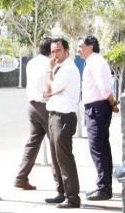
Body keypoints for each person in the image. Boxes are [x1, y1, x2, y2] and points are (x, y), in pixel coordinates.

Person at [77, 36, 119, 201]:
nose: (78, 49)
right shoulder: (93, 61)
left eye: (81, 46)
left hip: (97, 108)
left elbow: (104, 88)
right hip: (97, 107)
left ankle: (103, 188)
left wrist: (113, 103)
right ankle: (105, 186)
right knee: (102, 147)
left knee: (97, 148)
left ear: (91, 46)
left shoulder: (95, 62)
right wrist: (112, 104)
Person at [43, 38, 81, 209]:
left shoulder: (68, 69)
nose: (54, 54)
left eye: (58, 50)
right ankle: (61, 192)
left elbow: (50, 90)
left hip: (64, 118)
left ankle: (72, 197)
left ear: (67, 51)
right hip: (53, 116)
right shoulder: (58, 69)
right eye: (52, 51)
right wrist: (50, 72)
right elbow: (46, 92)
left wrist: (49, 71)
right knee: (55, 158)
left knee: (64, 158)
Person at [14, 37, 52, 190]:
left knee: (32, 143)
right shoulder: (50, 64)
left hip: (32, 105)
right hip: (45, 105)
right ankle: (60, 182)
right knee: (56, 144)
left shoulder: (32, 62)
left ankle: (21, 177)